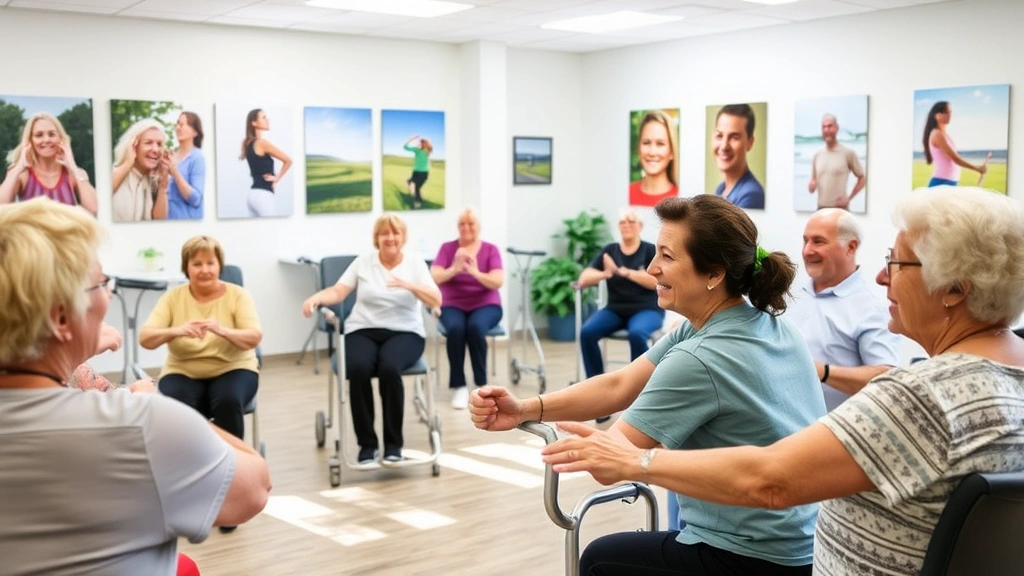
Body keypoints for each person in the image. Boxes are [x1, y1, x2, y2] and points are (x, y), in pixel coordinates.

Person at [543, 186, 1024, 576]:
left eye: (896, 264)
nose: (879, 278)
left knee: (604, 559)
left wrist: (637, 460)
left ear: (956, 290)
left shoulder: (919, 396)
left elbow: (771, 482)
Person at [471, 195, 825, 575]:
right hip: (808, 542)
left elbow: (611, 466)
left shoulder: (701, 357)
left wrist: (586, 449)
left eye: (667, 257)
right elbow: (620, 385)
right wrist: (526, 408)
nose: (652, 268)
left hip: (754, 556)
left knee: (599, 559)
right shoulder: (762, 322)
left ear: (714, 274)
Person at [0, 197, 270, 574]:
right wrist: (160, 406)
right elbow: (255, 488)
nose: (108, 296)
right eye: (100, 285)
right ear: (61, 317)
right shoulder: (143, 424)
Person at [302, 214, 441, 464]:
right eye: (384, 233)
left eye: (395, 233)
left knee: (389, 368)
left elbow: (436, 300)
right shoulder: (363, 262)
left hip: (405, 332)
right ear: (376, 238)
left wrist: (410, 286)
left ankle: (392, 445)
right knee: (358, 367)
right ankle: (367, 445)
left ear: (403, 237)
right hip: (362, 329)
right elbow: (338, 291)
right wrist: (316, 298)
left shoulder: (415, 263)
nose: (390, 238)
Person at [140, 235, 261, 445]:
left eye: (210, 263)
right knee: (177, 406)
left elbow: (254, 337)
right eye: (196, 264)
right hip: (182, 371)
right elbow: (146, 338)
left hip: (234, 368)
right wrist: (178, 330)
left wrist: (222, 331)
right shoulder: (173, 298)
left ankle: (235, 463)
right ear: (186, 268)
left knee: (227, 400)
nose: (204, 270)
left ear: (219, 265)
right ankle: (190, 465)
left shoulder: (238, 295)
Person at [788, 208, 901, 411]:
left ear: (850, 247)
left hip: (834, 436)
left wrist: (822, 372)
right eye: (805, 241)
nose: (807, 251)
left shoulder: (872, 306)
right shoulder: (791, 293)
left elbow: (886, 377)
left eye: (818, 241)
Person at [576, 208, 663, 386]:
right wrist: (606, 273)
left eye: (631, 221)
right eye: (623, 222)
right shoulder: (610, 250)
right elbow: (584, 279)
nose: (626, 225)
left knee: (637, 334)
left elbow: (657, 281)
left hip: (647, 309)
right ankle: (596, 387)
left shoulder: (649, 250)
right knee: (587, 332)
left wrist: (625, 272)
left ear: (640, 226)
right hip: (615, 309)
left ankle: (638, 387)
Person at [430, 207, 504, 410]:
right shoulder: (447, 248)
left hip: (486, 304)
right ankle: (459, 386)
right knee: (456, 329)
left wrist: (475, 272)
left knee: (475, 328)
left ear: (478, 227)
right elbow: (434, 276)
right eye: (462, 223)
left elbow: (497, 281)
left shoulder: (490, 249)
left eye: (470, 223)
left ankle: (481, 384)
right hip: (452, 304)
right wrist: (454, 268)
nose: (466, 227)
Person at [0, 112, 98, 215]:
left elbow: (94, 208)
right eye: (39, 135)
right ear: (30, 141)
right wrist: (18, 167)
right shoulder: (21, 174)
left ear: (61, 139)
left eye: (52, 134)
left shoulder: (75, 174)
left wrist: (73, 166)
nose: (46, 140)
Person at [111, 118, 170, 222]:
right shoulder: (114, 173)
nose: (155, 150)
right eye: (148, 143)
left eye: (159, 144)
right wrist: (127, 163)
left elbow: (159, 222)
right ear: (133, 146)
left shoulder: (153, 183)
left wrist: (163, 185)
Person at [922, 100, 989, 187]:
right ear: (937, 116)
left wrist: (978, 169)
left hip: (950, 181)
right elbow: (955, 159)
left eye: (950, 112)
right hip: (941, 182)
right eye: (947, 113)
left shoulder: (944, 135)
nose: (950, 115)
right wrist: (977, 169)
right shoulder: (937, 134)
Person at [240, 108, 292, 217]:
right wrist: (277, 178)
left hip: (252, 195)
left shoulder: (248, 144)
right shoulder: (262, 143)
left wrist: (275, 178)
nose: (267, 120)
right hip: (263, 196)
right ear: (254, 123)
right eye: (263, 118)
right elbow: (288, 160)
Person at [712, 103, 765, 209]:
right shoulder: (721, 189)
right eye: (719, 136)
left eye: (734, 137)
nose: (724, 146)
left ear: (750, 142)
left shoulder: (751, 195)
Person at [808, 114, 865, 209]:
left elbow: (862, 179)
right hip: (821, 209)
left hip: (840, 210)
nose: (826, 130)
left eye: (830, 126)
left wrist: (849, 198)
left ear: (837, 128)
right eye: (824, 127)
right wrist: (811, 187)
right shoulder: (817, 155)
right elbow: (812, 184)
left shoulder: (848, 153)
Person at [629, 110, 678, 207]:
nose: (652, 152)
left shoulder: (680, 198)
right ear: (639, 148)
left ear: (672, 151)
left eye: (660, 144)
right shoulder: (627, 191)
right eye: (646, 143)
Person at [167, 111, 205, 220]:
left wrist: (175, 173)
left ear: (195, 132)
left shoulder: (197, 158)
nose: (179, 127)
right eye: (178, 124)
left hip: (187, 224)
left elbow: (196, 199)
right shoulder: (171, 156)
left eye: (184, 124)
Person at [403, 134, 432, 209]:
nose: (419, 144)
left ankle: (418, 201)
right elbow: (405, 147)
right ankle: (418, 200)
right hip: (416, 172)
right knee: (415, 186)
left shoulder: (427, 151)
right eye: (419, 143)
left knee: (417, 187)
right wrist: (411, 139)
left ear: (424, 144)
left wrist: (413, 139)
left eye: (421, 143)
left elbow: (429, 147)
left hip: (423, 174)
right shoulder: (417, 150)